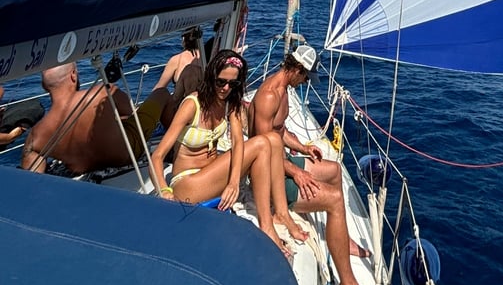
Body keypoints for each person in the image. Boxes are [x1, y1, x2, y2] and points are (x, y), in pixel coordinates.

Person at [250, 44, 381, 285]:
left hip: (281, 165)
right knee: (334, 200)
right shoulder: (269, 96)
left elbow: (280, 132)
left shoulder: (283, 90)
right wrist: (296, 172)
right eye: (306, 77)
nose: (306, 83)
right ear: (297, 69)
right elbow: (262, 148)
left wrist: (303, 148)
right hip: (269, 178)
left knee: (333, 170)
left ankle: (342, 239)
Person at [149, 49, 299, 259]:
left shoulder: (230, 103)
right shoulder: (192, 105)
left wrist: (234, 183)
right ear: (211, 77)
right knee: (261, 145)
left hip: (211, 173)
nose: (226, 88)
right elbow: (157, 156)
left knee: (273, 139)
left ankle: (282, 214)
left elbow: (238, 141)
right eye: (221, 82)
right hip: (188, 183)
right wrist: (164, 191)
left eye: (232, 84)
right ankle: (267, 227)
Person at [21, 63, 171, 174]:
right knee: (162, 93)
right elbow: (131, 112)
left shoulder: (36, 135)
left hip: (82, 168)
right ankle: (174, 148)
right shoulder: (103, 93)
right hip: (125, 155)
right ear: (73, 75)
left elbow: (32, 177)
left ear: (44, 86)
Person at [153, 26, 204, 128]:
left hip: (181, 111)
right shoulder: (206, 58)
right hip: (202, 110)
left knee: (163, 95)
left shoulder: (177, 60)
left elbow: (160, 87)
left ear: (183, 39)